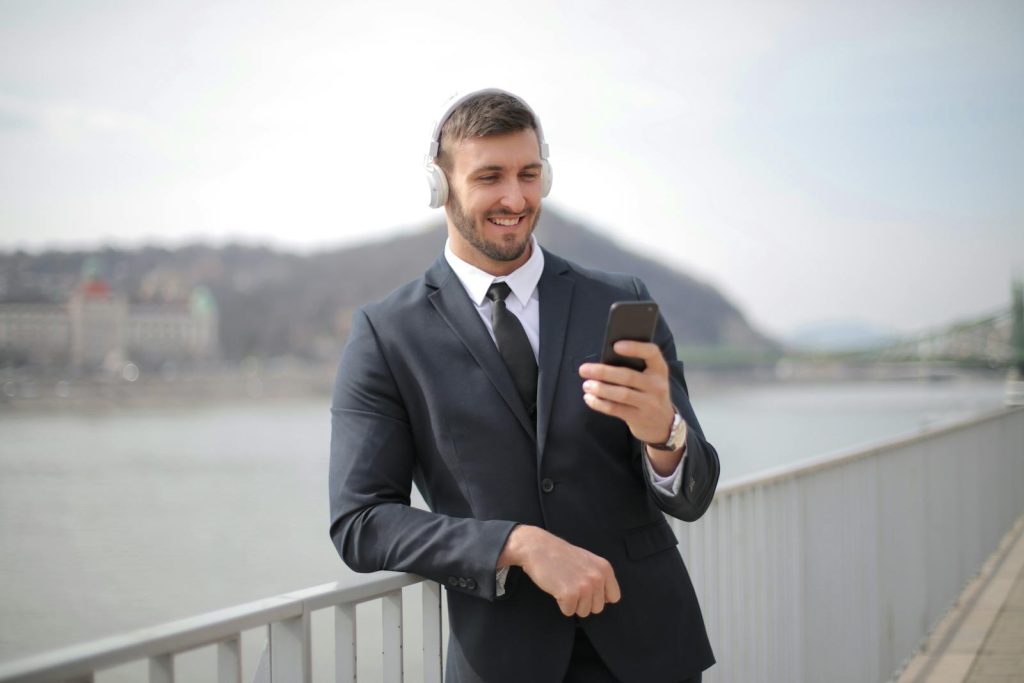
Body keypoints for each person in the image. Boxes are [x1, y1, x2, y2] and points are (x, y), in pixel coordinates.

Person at [329, 88, 719, 683]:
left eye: (529, 174)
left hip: (651, 651)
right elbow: (360, 522)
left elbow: (692, 496)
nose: (515, 198)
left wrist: (663, 435)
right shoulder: (386, 333)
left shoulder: (622, 299)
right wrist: (516, 544)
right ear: (441, 186)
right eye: (490, 177)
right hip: (503, 660)